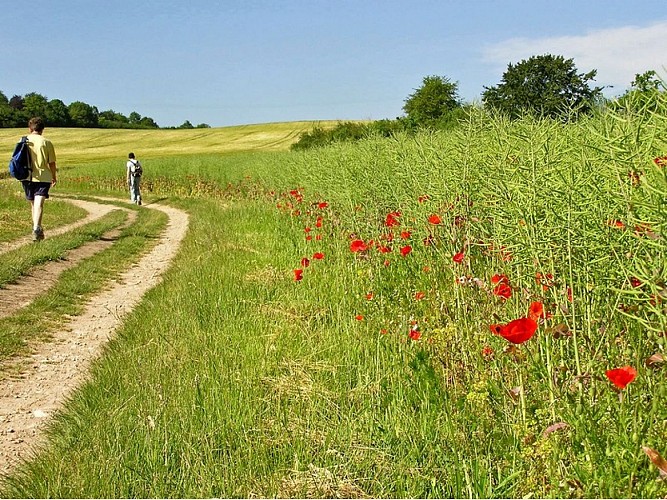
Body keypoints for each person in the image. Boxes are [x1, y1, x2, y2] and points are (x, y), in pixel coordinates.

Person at [23, 117, 57, 242]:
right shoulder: (46, 142)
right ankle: (37, 228)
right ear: (42, 129)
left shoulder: (23, 141)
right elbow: (52, 163)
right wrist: (53, 176)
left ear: (29, 128)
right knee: (39, 203)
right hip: (43, 176)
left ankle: (36, 227)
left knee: (33, 203)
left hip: (26, 176)